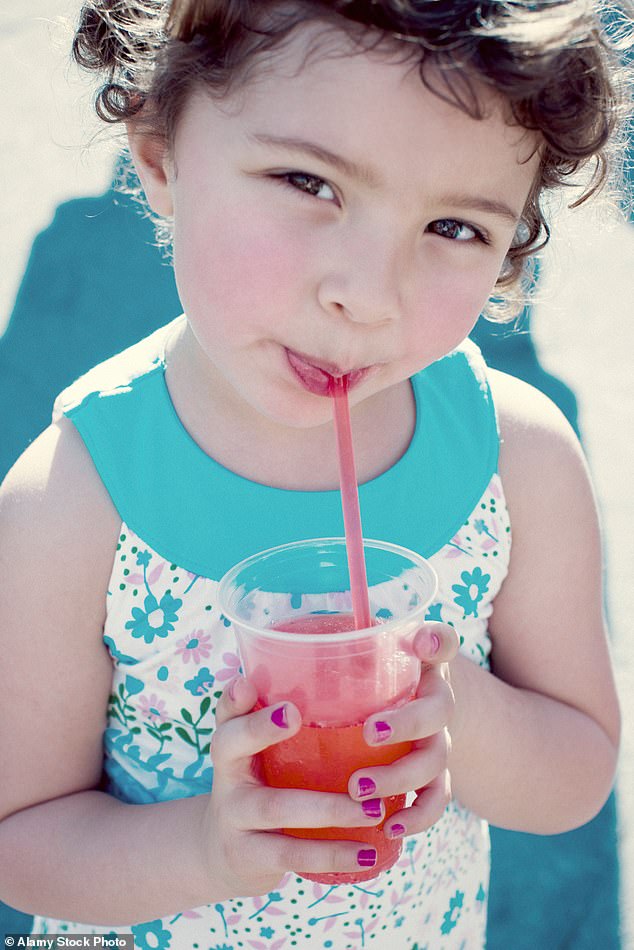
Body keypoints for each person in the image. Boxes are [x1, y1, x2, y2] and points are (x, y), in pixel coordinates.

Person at [0, 1, 629, 946]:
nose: (369, 297)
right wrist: (206, 851)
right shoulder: (72, 505)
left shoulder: (517, 459)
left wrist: (455, 715)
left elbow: (577, 774)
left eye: (454, 227)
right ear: (161, 151)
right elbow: (20, 836)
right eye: (308, 180)